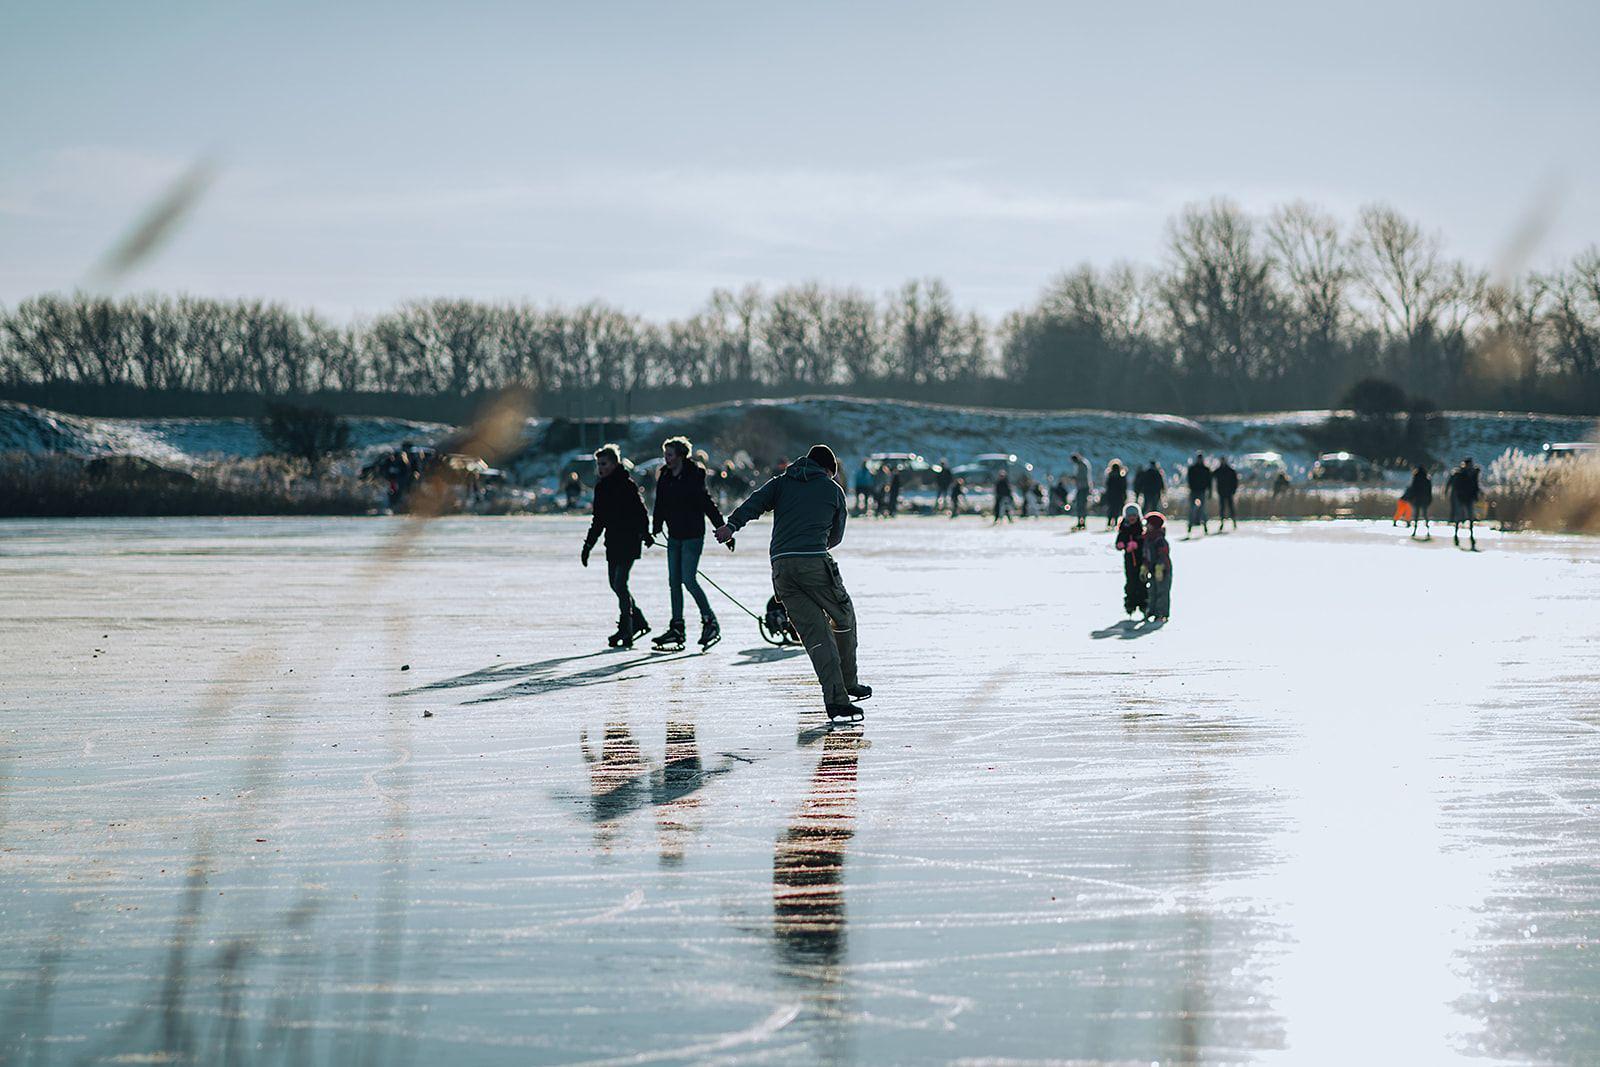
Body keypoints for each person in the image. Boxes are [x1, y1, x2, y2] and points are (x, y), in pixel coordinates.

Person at [715, 444, 871, 723]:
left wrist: (731, 526)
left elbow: (753, 503)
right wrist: (817, 544)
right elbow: (837, 536)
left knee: (816, 635)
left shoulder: (782, 482)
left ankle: (836, 700)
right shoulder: (833, 489)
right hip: (814, 563)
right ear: (828, 470)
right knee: (843, 617)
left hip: (782, 568)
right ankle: (849, 682)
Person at [650, 436, 726, 651]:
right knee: (674, 581)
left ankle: (709, 621)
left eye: (670, 455)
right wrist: (655, 528)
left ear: (681, 455)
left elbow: (705, 502)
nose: (667, 459)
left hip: (692, 534)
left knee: (688, 579)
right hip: (674, 535)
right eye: (665, 455)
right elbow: (660, 503)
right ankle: (677, 627)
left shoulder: (694, 474)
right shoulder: (664, 475)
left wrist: (722, 527)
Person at [581, 445, 654, 648]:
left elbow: (641, 512)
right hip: (612, 542)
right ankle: (637, 620)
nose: (600, 468)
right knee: (615, 584)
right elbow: (598, 520)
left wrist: (645, 533)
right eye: (598, 465)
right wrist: (588, 545)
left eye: (604, 464)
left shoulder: (627, 485)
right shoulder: (601, 487)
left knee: (620, 584)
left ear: (614, 464)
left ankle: (627, 629)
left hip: (629, 541)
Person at [1114, 503, 1148, 618]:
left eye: (1134, 515)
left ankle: (1143, 603)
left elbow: (1145, 542)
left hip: (1141, 560)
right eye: (1130, 516)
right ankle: (1130, 604)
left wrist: (1137, 544)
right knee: (1130, 582)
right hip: (1129, 561)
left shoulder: (1141, 528)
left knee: (1142, 581)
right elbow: (1119, 541)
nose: (1132, 518)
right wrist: (1121, 545)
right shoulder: (1124, 528)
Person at [1141, 511, 1172, 622]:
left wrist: (1160, 567)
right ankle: (1152, 610)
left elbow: (1163, 554)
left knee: (1162, 591)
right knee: (1152, 590)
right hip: (1152, 569)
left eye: (1148, 524)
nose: (1146, 526)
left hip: (1163, 570)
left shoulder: (1160, 540)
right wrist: (1144, 566)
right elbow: (1145, 554)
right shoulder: (1147, 538)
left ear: (1154, 526)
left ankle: (1162, 613)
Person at [1445, 457, 1481, 549]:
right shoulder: (1461, 473)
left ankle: (1470, 535)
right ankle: (1457, 535)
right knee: (1460, 517)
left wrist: (1477, 494)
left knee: (1469, 517)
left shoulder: (1472, 473)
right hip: (1461, 497)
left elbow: (1476, 485)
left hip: (1467, 497)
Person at [1185, 451, 1213, 537]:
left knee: (1203, 510)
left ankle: (1205, 527)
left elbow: (1209, 481)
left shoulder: (1206, 469)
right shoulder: (1193, 469)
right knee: (1192, 509)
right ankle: (1190, 526)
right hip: (1194, 491)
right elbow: (1189, 480)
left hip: (1202, 491)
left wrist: (1209, 491)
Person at [1402, 465, 1433, 539]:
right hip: (1424, 499)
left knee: (1416, 514)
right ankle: (1428, 529)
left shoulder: (1416, 478)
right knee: (1425, 514)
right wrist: (1429, 499)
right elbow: (1429, 491)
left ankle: (1415, 529)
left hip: (1417, 499)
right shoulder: (1427, 479)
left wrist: (1411, 498)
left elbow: (1413, 489)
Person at [1214, 456, 1239, 531]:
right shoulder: (1219, 470)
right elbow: (1211, 475)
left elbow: (1235, 481)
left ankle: (1234, 522)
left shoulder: (1230, 471)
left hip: (1229, 492)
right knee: (1222, 509)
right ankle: (1222, 523)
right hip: (1221, 492)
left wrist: (1234, 490)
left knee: (1231, 508)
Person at [1103, 460, 1128, 528]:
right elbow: (1124, 487)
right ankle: (1116, 522)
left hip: (1111, 495)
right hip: (1119, 495)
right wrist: (1124, 495)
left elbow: (1107, 486)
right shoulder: (1121, 476)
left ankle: (1109, 522)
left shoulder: (1110, 475)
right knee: (1117, 509)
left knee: (1111, 509)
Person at [1070, 453, 1091, 530]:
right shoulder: (1081, 464)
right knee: (1080, 506)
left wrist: (1075, 478)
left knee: (1081, 506)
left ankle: (1082, 523)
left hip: (1083, 487)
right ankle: (1081, 522)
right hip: (1081, 487)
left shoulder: (1082, 465)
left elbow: (1082, 476)